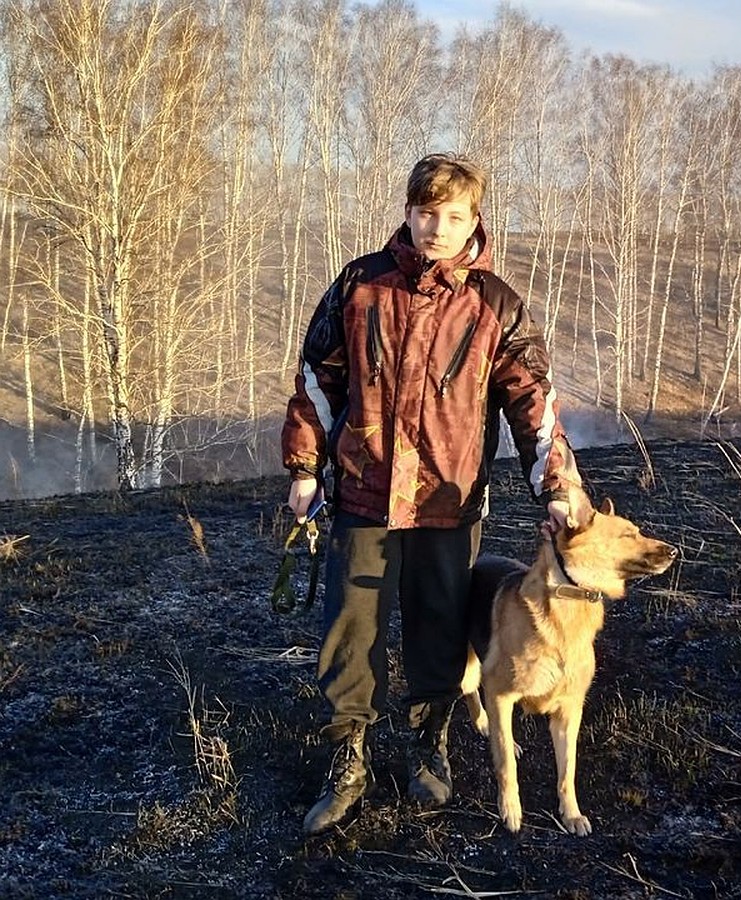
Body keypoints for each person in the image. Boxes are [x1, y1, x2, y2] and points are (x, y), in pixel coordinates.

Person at [281, 153, 576, 836]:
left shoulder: (495, 302)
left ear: (474, 219)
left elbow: (532, 401)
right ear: (408, 211)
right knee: (350, 632)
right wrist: (304, 467)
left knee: (439, 624)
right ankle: (348, 757)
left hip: (449, 500)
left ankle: (428, 742)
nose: (436, 227)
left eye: (452, 215)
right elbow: (317, 380)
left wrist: (556, 485)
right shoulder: (360, 284)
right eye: (425, 212)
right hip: (363, 493)